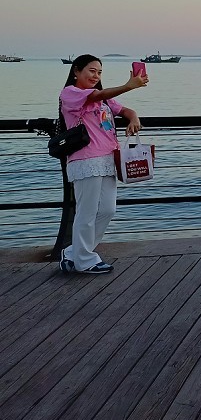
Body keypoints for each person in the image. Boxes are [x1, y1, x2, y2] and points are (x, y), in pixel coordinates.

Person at [58, 55, 147, 274]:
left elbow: (124, 110)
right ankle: (84, 261)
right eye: (91, 71)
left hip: (108, 158)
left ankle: (73, 253)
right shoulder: (70, 93)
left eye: (99, 72)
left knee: (107, 210)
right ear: (76, 71)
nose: (96, 76)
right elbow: (99, 94)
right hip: (86, 159)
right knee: (87, 212)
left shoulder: (103, 100)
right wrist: (129, 86)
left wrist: (133, 118)